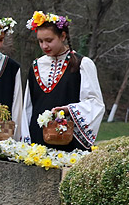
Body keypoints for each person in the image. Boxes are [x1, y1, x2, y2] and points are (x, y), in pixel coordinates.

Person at [19, 11, 104, 150]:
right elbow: (28, 107)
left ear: (63, 36)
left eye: (49, 40)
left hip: (69, 142)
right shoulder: (36, 65)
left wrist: (69, 110)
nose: (44, 46)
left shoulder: (82, 64)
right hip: (37, 144)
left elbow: (95, 104)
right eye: (40, 41)